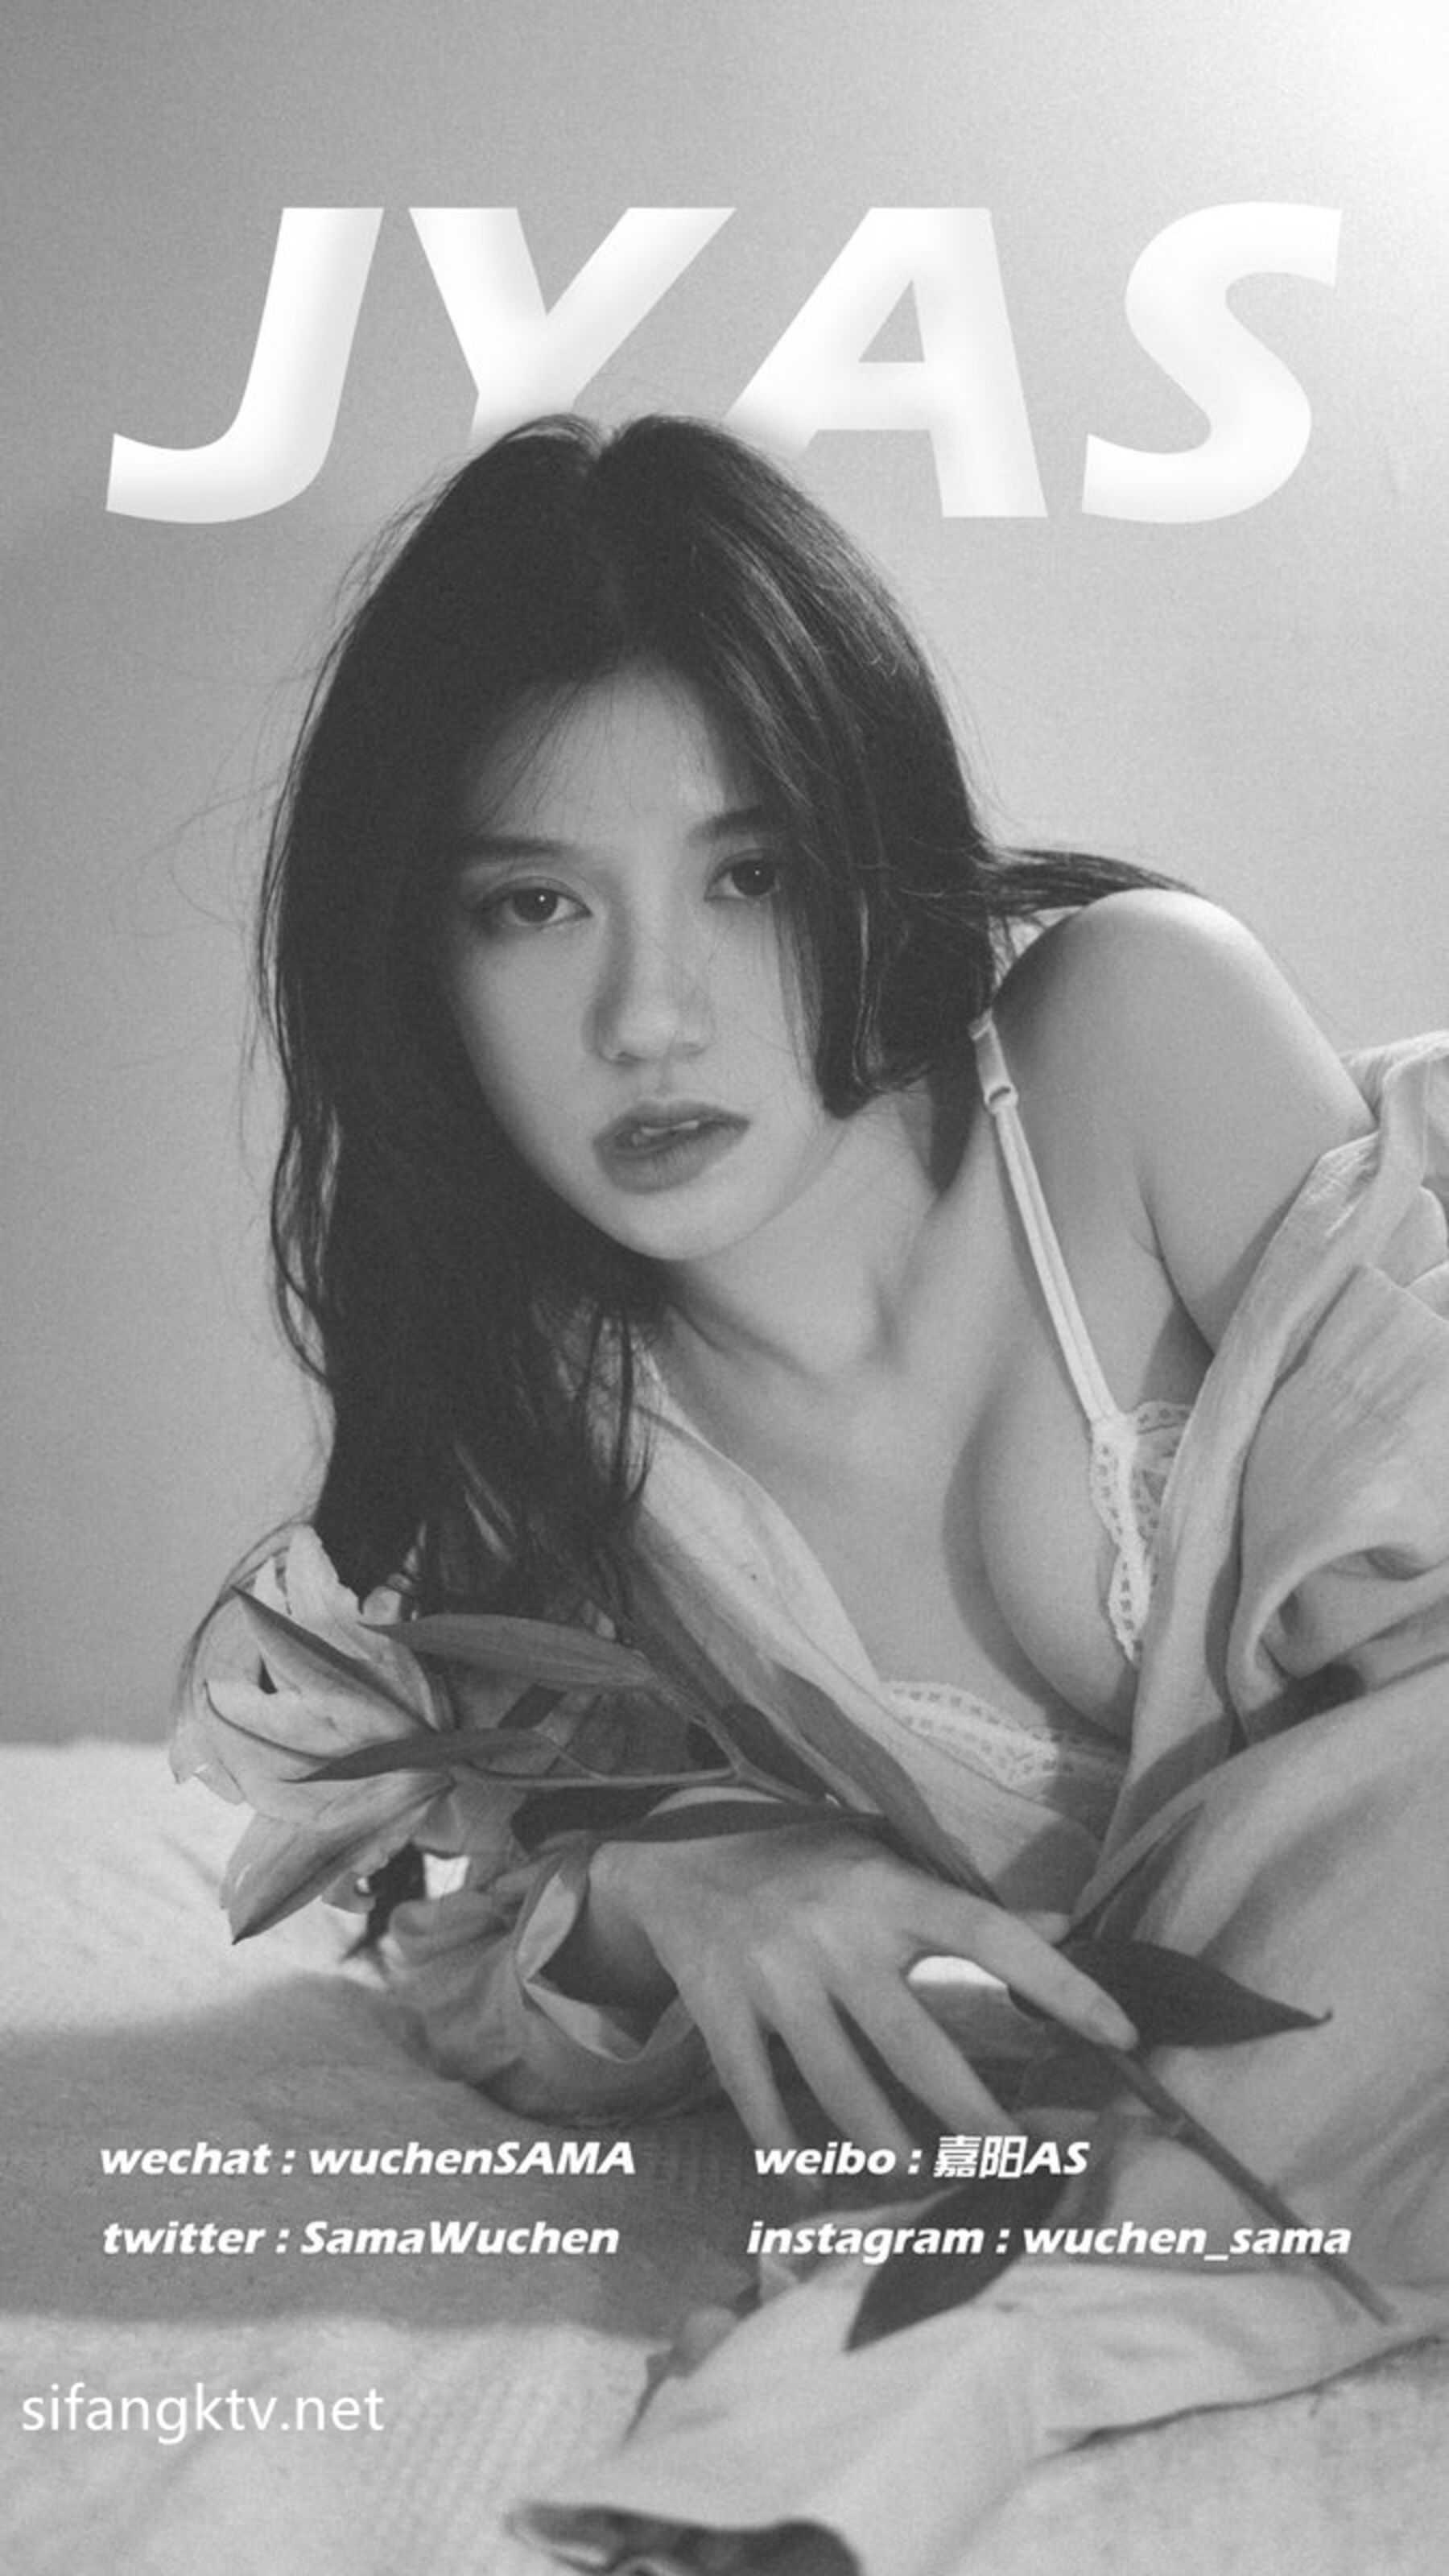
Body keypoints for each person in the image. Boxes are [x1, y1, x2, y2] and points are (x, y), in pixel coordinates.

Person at [198, 414, 1449, 2574]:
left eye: (750, 873)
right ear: (420, 958)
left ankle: (970, 2346)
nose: (651, 1016)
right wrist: (686, 1873)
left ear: (867, 856)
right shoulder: (558, 1453)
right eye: (531, 904)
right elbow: (458, 1942)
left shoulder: (1130, 1042)